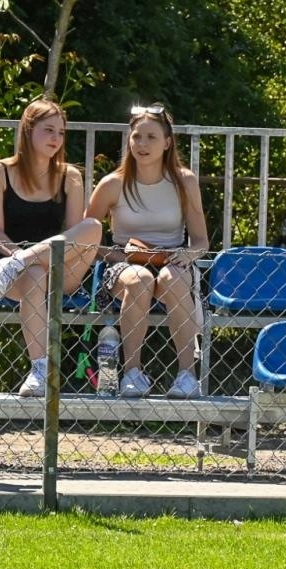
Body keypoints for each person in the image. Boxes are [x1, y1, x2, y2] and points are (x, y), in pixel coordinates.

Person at [0, 98, 104, 396]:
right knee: (33, 274)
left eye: (61, 133)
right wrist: (18, 258)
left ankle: (24, 261)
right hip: (8, 268)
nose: (56, 139)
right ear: (28, 129)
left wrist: (28, 258)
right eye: (48, 130)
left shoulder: (70, 175)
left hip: (58, 267)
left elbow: (76, 234)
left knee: (93, 227)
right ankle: (41, 370)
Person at [83, 104, 209, 399]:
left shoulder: (184, 181)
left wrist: (188, 256)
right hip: (123, 263)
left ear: (167, 143)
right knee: (139, 279)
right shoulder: (112, 184)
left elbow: (201, 241)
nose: (142, 144)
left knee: (173, 279)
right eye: (137, 136)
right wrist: (120, 255)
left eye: (151, 137)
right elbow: (86, 240)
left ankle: (187, 376)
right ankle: (132, 373)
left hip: (173, 259)